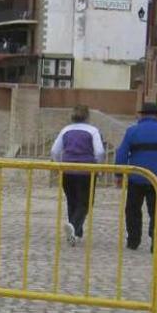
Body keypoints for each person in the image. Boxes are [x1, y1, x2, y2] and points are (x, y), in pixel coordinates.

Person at [115, 102, 157, 252]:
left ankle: (133, 240)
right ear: (156, 115)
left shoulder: (132, 131)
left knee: (132, 210)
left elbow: (121, 154)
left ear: (142, 114)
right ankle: (156, 241)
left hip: (136, 177)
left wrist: (119, 174)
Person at [50, 105, 105, 246]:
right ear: (87, 117)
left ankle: (75, 233)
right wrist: (98, 167)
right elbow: (99, 152)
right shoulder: (93, 131)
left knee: (72, 201)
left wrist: (58, 165)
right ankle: (74, 227)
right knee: (85, 202)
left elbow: (55, 151)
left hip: (67, 170)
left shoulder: (65, 130)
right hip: (86, 171)